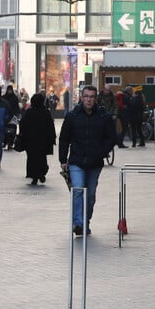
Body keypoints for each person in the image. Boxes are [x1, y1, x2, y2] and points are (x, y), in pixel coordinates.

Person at [59, 85, 116, 235]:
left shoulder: (103, 116)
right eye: (86, 96)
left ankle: (86, 221)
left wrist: (102, 152)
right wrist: (63, 160)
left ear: (95, 98)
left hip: (95, 162)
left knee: (90, 195)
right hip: (76, 161)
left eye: (91, 97)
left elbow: (111, 138)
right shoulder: (73, 116)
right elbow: (64, 138)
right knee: (78, 190)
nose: (89, 100)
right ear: (81, 98)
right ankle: (78, 223)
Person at [18, 93, 56, 185]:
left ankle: (34, 176)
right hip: (43, 140)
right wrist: (52, 138)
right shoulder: (46, 112)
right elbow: (50, 126)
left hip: (30, 140)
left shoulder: (29, 112)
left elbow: (22, 124)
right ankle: (41, 172)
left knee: (32, 158)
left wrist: (22, 135)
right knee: (42, 157)